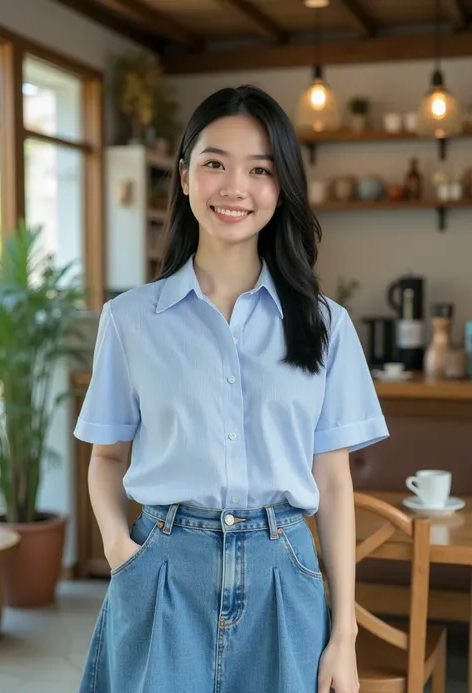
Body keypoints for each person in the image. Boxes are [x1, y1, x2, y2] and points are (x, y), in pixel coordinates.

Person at [74, 84, 389, 693]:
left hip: (284, 571)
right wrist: (120, 548)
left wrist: (343, 635)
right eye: (215, 163)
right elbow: (107, 459)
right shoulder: (130, 319)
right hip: (162, 567)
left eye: (260, 169)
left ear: (281, 187)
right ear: (186, 177)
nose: (234, 187)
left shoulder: (326, 324)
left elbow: (333, 480)